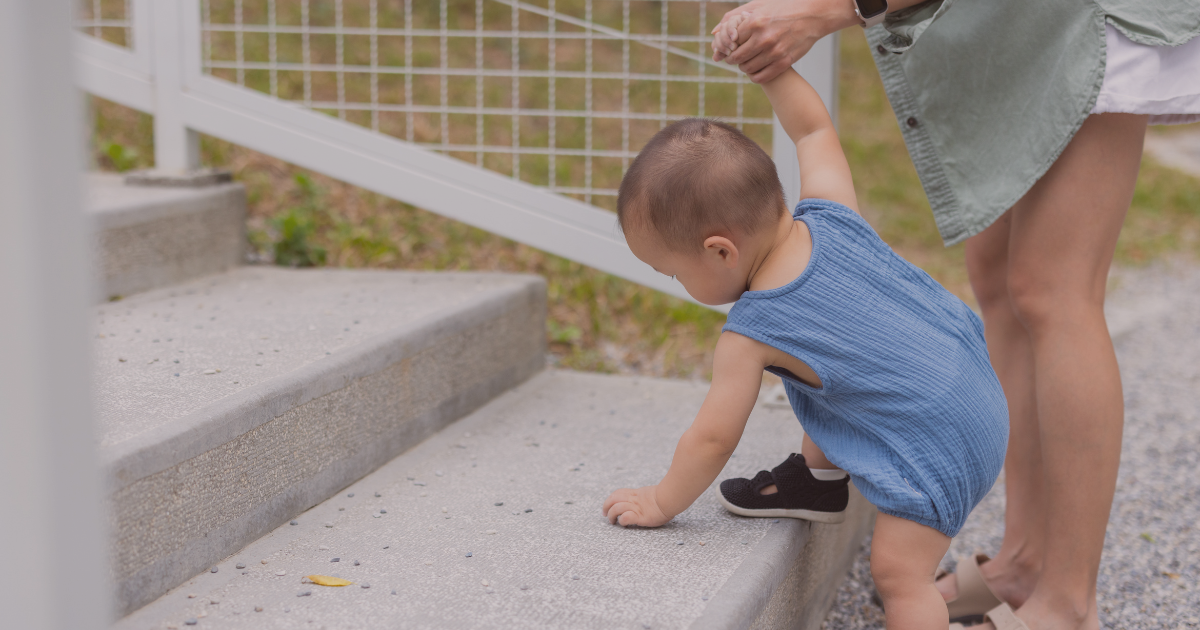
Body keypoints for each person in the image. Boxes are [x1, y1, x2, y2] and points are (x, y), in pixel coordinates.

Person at [706, 1, 1200, 629]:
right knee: (998, 279)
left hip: (1085, 18)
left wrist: (828, 11)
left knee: (1056, 291)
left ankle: (1070, 602)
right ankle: (1024, 559)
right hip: (1018, 26)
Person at [600, 51, 1010, 627]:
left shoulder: (751, 333)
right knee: (832, 368)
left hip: (935, 443)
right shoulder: (832, 213)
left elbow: (712, 439)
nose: (677, 284)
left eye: (673, 273)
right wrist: (770, 69)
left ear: (720, 251)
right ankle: (818, 480)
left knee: (900, 576)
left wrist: (661, 500)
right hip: (979, 388)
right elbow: (813, 130)